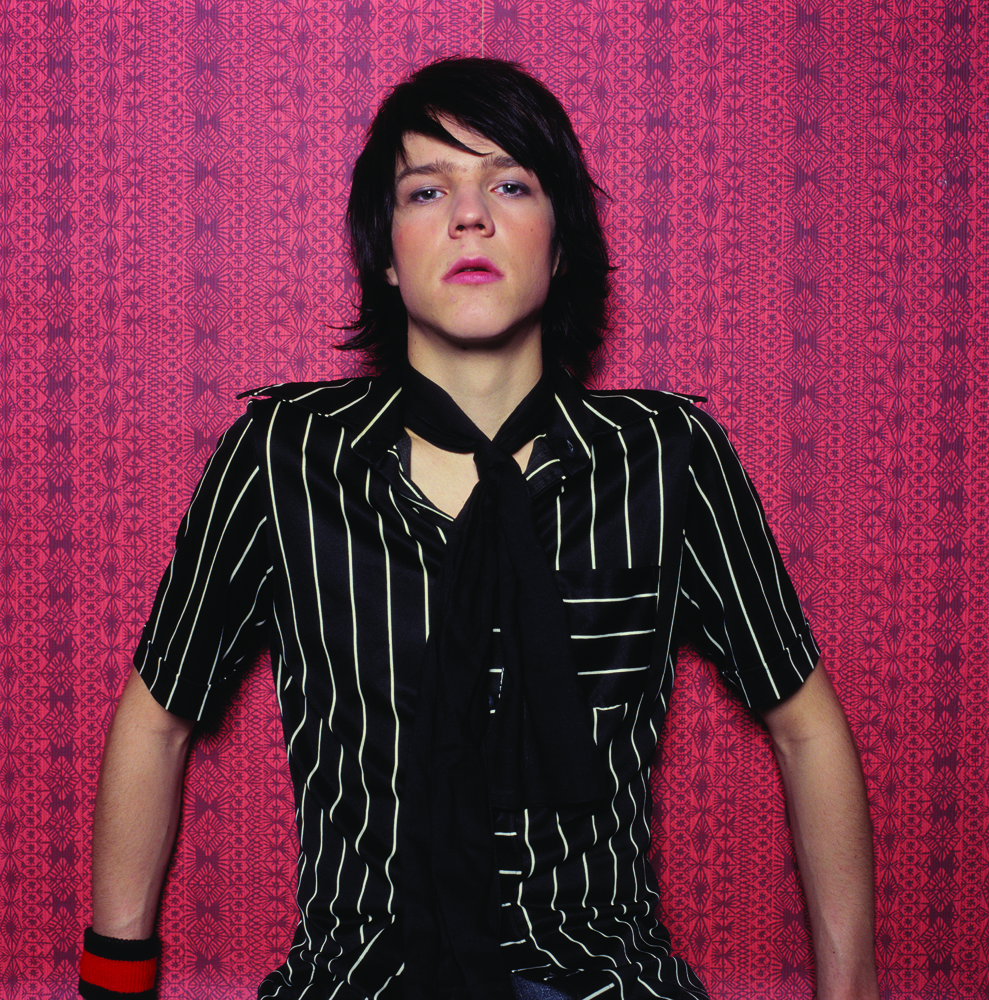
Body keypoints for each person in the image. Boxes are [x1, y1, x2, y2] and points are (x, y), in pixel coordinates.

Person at [80, 58, 879, 1000]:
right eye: (427, 190)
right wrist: (114, 987)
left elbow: (803, 726)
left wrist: (850, 993)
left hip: (599, 976)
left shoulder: (667, 458)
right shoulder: (284, 455)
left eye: (509, 184)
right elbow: (159, 715)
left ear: (561, 242)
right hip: (362, 979)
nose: (469, 216)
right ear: (384, 253)